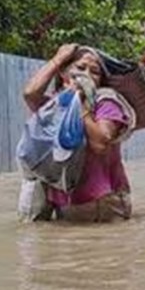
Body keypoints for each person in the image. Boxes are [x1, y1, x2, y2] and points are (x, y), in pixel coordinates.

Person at [21, 43, 134, 221]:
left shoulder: (107, 103)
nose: (86, 75)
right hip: (67, 206)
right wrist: (58, 59)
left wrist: (80, 102)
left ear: (100, 81)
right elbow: (30, 94)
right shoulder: (56, 105)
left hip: (104, 205)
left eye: (94, 72)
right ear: (64, 75)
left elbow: (100, 143)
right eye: (80, 68)